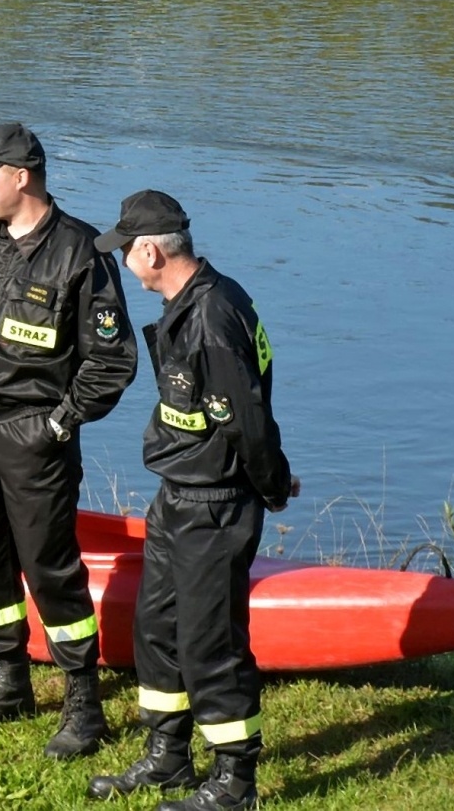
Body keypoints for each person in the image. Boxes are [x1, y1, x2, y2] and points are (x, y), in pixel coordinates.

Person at [86, 190, 299, 811]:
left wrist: (273, 485)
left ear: (150, 250)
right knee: (156, 627)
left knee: (211, 641)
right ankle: (167, 757)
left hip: (215, 503)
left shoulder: (212, 316)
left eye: (125, 249)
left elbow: (247, 420)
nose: (124, 261)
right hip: (176, 495)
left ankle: (235, 781)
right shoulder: (190, 303)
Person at [0, 122, 139, 760]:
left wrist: (60, 422)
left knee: (50, 566)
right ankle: (9, 683)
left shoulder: (81, 254)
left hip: (34, 434)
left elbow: (110, 360)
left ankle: (84, 704)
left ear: (20, 177)